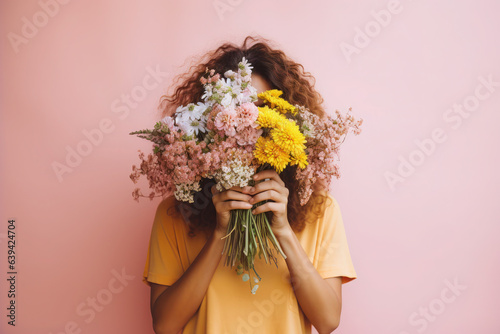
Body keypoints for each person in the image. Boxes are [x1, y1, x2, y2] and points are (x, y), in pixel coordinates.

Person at [142, 35, 357, 334]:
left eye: (261, 108)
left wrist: (282, 229)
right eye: (237, 108)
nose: (249, 122)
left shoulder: (320, 210)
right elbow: (165, 325)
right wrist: (220, 231)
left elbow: (327, 320)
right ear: (209, 121)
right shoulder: (175, 214)